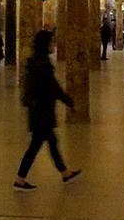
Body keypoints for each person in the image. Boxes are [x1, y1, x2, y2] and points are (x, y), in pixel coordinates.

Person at [14, 30, 82, 191]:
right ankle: (20, 179)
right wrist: (68, 101)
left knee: (49, 142)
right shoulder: (42, 64)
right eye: (52, 42)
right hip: (41, 110)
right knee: (40, 144)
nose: (54, 44)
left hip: (39, 109)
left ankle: (64, 173)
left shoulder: (39, 61)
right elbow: (52, 87)